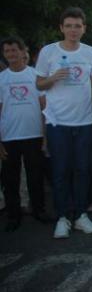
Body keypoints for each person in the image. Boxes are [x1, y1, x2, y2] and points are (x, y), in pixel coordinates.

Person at [35, 7, 92, 239]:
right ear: (61, 27)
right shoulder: (48, 52)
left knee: (83, 169)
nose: (74, 30)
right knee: (61, 170)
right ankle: (63, 217)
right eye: (69, 25)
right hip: (57, 121)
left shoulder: (91, 53)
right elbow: (38, 84)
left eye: (78, 26)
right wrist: (53, 78)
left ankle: (81, 215)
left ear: (84, 28)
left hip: (84, 121)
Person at [0, 37, 52, 232]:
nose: (11, 55)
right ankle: (14, 215)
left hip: (34, 134)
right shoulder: (1, 79)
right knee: (10, 179)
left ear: (23, 52)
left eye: (14, 50)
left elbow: (43, 107)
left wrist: (46, 136)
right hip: (9, 136)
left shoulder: (35, 76)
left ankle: (39, 210)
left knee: (35, 176)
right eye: (7, 51)